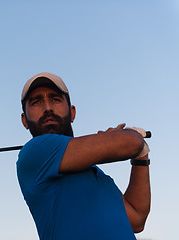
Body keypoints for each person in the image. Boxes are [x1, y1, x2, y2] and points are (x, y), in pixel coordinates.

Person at [16, 72, 151, 240]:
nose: (47, 107)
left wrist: (141, 157)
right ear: (24, 120)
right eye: (36, 102)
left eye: (55, 99)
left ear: (72, 112)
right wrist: (122, 138)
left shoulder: (96, 172)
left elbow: (137, 219)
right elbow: (131, 143)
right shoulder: (36, 151)